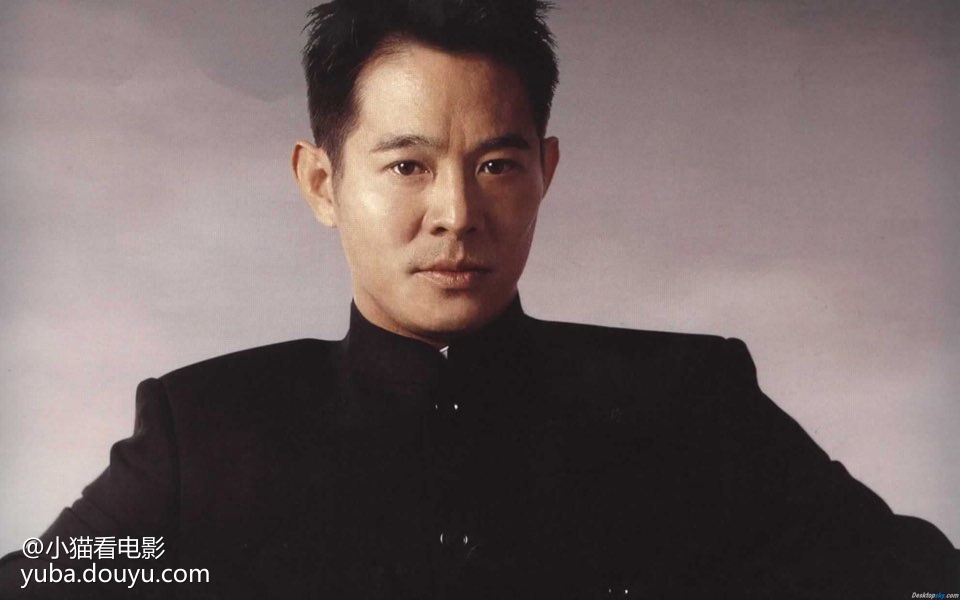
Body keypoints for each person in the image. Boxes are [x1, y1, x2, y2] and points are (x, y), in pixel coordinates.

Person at [0, 0, 956, 598]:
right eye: (408, 165)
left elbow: (921, 581)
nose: (457, 214)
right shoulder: (206, 430)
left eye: (496, 164)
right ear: (322, 183)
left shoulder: (688, 401)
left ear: (546, 170)